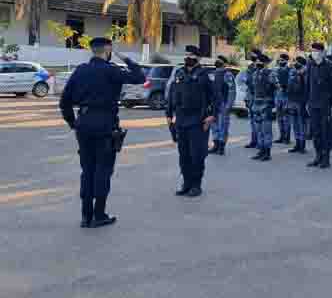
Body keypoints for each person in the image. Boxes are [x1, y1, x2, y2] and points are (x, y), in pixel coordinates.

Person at [59, 37, 146, 228]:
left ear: (92, 50)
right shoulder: (112, 70)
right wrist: (126, 58)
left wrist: (73, 123)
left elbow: (64, 101)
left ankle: (85, 216)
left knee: (87, 170)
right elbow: (140, 77)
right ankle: (99, 215)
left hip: (84, 124)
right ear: (108, 51)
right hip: (105, 125)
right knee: (103, 170)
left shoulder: (80, 71)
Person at [167, 46, 217, 198]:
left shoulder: (204, 75)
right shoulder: (179, 72)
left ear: (198, 58)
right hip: (181, 120)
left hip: (198, 120)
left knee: (197, 155)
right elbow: (171, 94)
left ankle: (196, 185)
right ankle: (186, 184)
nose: (188, 57)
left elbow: (216, 97)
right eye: (187, 54)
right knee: (184, 155)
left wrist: (212, 116)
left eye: (192, 55)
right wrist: (168, 114)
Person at [305, 43, 332, 169]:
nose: (314, 53)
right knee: (315, 133)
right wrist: (307, 102)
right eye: (312, 50)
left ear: (322, 52)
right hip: (313, 104)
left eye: (316, 51)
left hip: (325, 106)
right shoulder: (310, 65)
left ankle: (326, 159)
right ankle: (318, 156)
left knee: (325, 132)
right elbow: (307, 85)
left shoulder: (330, 67)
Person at [250, 51, 278, 161]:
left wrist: (274, 104)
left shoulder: (271, 74)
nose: (257, 63)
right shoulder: (255, 73)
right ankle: (261, 150)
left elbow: (277, 88)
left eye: (260, 61)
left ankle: (267, 152)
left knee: (266, 130)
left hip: (266, 104)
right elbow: (254, 89)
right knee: (258, 129)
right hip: (256, 104)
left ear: (265, 63)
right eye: (257, 61)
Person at [208, 55, 236, 156]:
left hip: (223, 103)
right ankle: (215, 145)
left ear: (224, 63)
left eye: (219, 61)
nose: (217, 62)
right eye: (217, 60)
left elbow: (232, 91)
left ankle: (221, 147)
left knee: (223, 126)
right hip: (213, 104)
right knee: (214, 126)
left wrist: (229, 105)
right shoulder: (212, 74)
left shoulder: (227, 74)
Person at [287, 55, 309, 154]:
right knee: (295, 123)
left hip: (301, 102)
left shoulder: (306, 73)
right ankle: (297, 143)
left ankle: (302, 145)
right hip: (292, 101)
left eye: (296, 61)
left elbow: (307, 89)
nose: (294, 63)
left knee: (301, 124)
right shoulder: (293, 72)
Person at [241, 51, 259, 149]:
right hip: (250, 97)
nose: (252, 57)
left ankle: (259, 142)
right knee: (252, 120)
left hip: (257, 97)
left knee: (258, 121)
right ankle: (254, 140)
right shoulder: (250, 67)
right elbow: (247, 81)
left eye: (254, 55)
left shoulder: (260, 67)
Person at [273, 53, 292, 146]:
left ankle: (287, 137)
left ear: (286, 61)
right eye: (279, 60)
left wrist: (285, 87)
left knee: (286, 118)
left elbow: (291, 84)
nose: (280, 62)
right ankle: (281, 136)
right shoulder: (277, 70)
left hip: (286, 96)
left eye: (282, 60)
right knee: (279, 117)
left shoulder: (290, 70)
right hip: (278, 95)